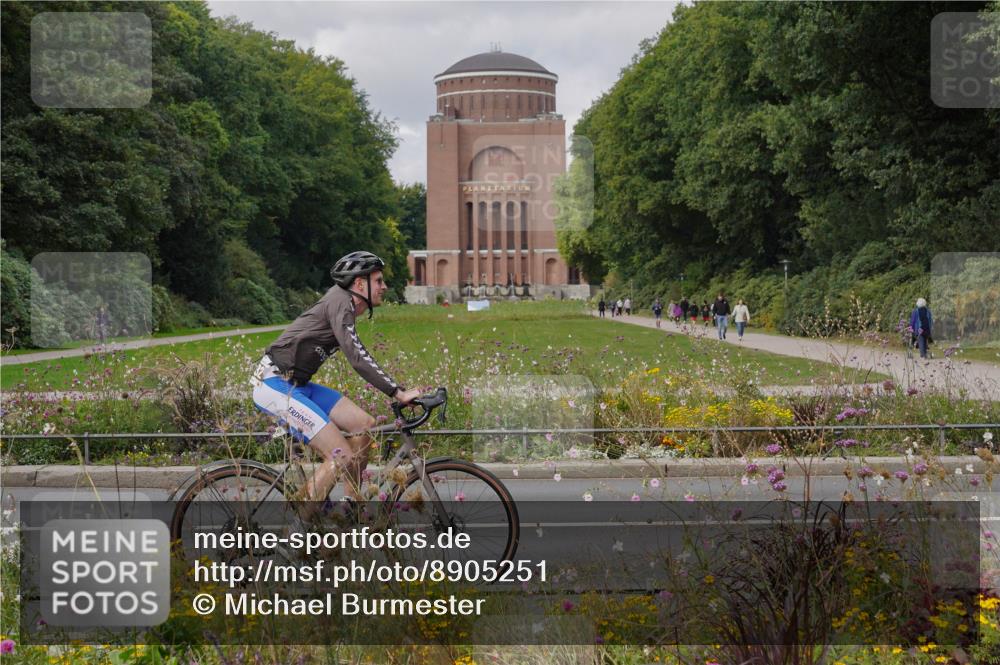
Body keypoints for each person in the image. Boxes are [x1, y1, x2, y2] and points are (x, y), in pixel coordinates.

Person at [251, 251, 423, 517]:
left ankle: (349, 507)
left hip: (297, 384)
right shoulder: (341, 302)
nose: (384, 286)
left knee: (364, 425)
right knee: (340, 454)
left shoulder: (345, 304)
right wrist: (398, 392)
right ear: (359, 284)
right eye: (378, 280)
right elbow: (357, 356)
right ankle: (299, 530)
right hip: (274, 384)